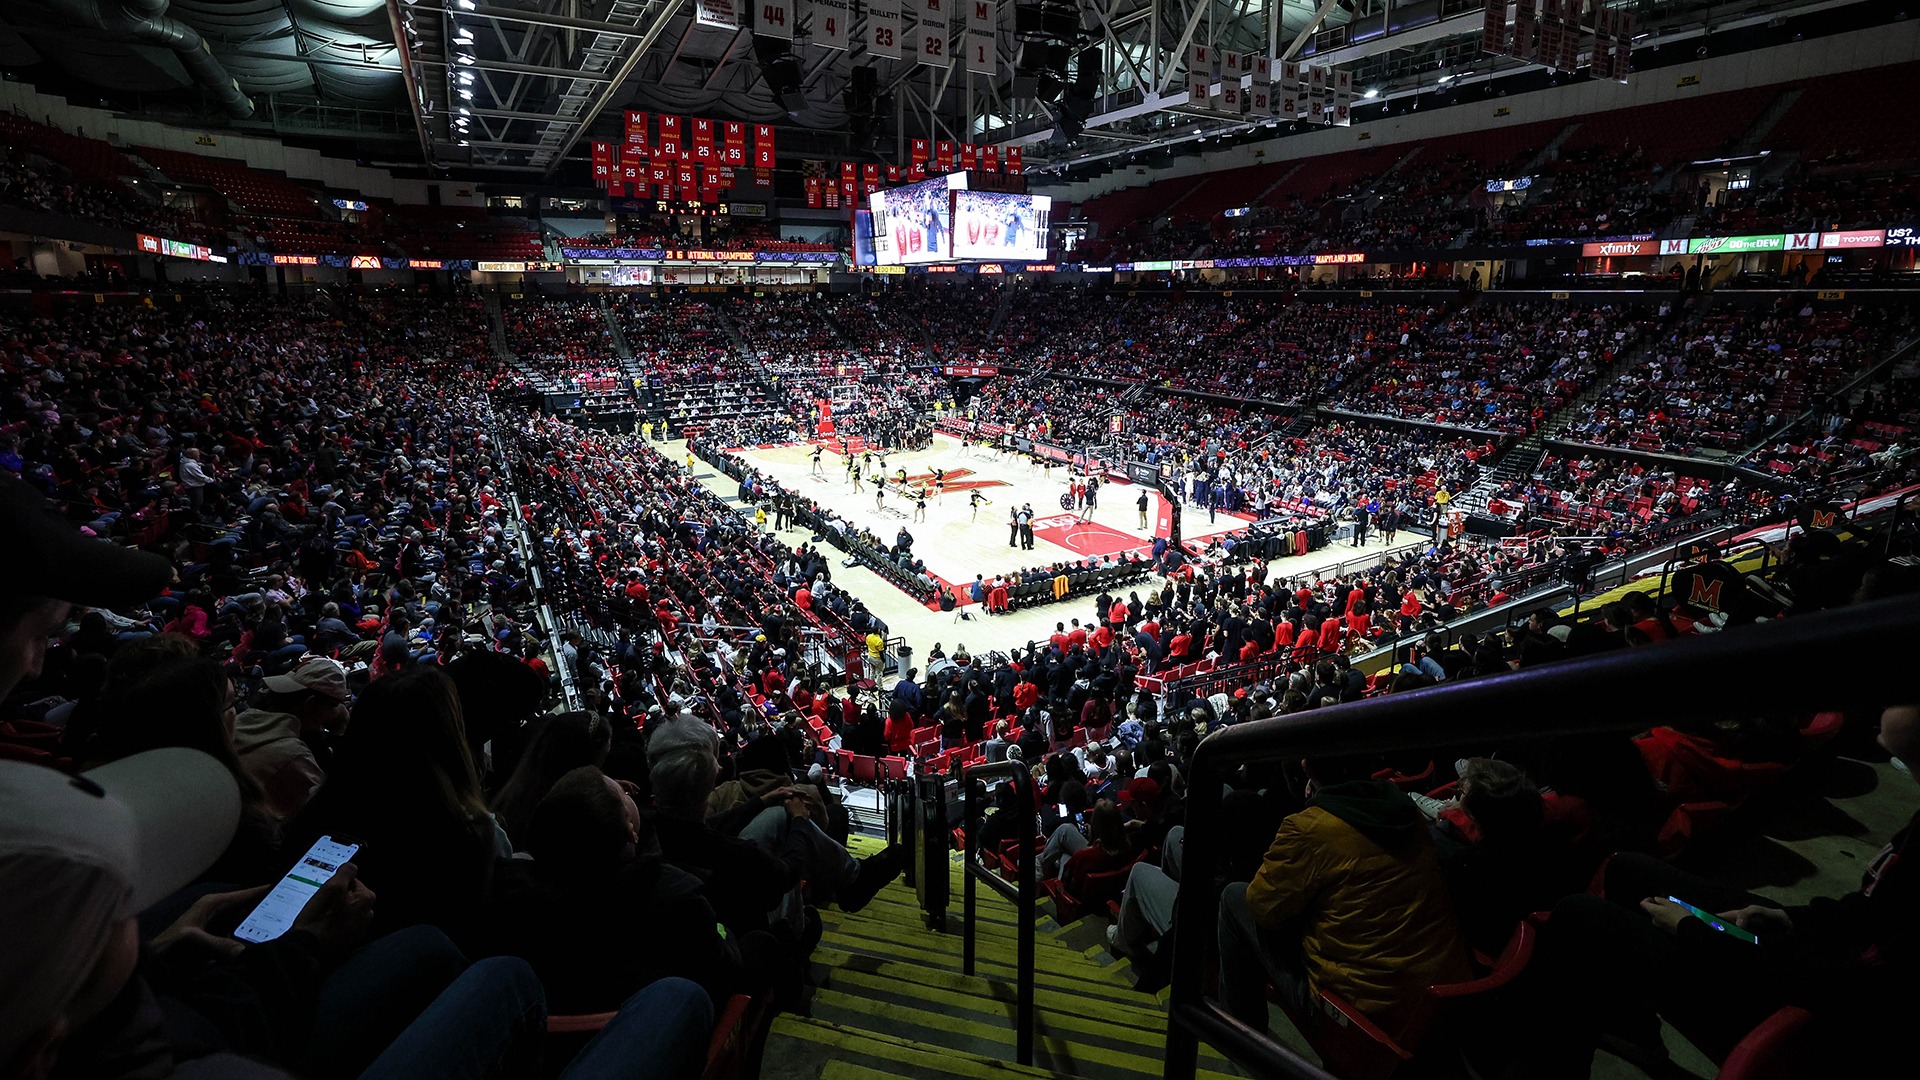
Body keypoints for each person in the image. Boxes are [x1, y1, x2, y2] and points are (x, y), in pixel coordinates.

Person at [1512, 700, 1920, 1077]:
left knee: (1576, 912)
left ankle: (1560, 1057)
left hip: (1803, 1010)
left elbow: (1839, 985)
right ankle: (1628, 1015)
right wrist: (1786, 917)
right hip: (1806, 956)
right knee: (1626, 869)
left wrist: (1692, 930)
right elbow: (1865, 912)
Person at [1217, 760, 1471, 1036]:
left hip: (1362, 1015)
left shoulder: (1309, 827)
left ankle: (1237, 1036)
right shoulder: (1406, 809)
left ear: (1308, 773)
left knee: (1234, 897)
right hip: (1442, 997)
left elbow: (1262, 907)